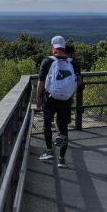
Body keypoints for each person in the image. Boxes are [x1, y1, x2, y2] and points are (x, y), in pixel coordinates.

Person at [36, 36, 81, 169]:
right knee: (63, 128)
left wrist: (38, 98)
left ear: (53, 48)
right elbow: (79, 82)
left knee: (47, 124)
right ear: (64, 47)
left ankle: (49, 151)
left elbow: (41, 82)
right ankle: (61, 159)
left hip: (50, 99)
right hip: (66, 100)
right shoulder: (73, 62)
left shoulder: (47, 61)